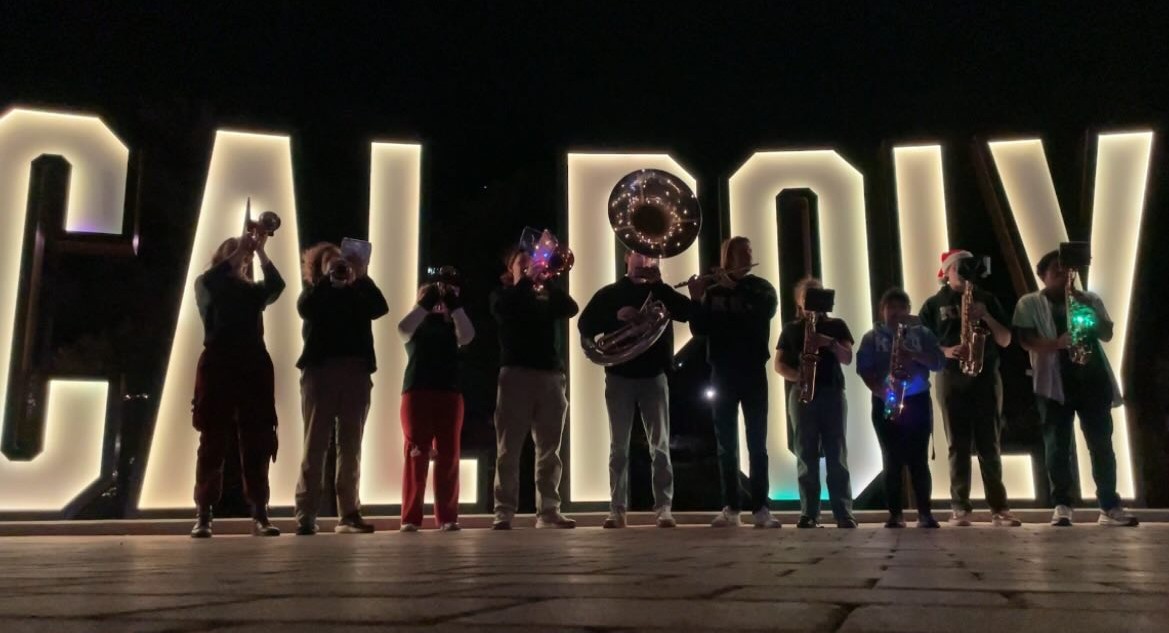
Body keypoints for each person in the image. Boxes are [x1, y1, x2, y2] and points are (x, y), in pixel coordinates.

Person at [1013, 250, 1138, 527]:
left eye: (1067, 269)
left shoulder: (1089, 298)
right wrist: (1055, 344)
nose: (1062, 273)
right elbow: (1024, 339)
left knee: (1102, 446)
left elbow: (1106, 333)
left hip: (1093, 381)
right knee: (1057, 446)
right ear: (1043, 275)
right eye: (1055, 269)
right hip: (1054, 382)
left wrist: (1088, 308)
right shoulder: (1030, 302)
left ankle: (1109, 505)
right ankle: (1062, 504)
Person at [577, 251, 693, 529]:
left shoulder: (659, 292)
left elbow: (687, 312)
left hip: (654, 376)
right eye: (639, 254)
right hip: (620, 377)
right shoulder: (611, 293)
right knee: (619, 447)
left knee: (661, 447)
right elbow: (585, 324)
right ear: (627, 258)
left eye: (650, 256)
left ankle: (664, 508)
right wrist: (616, 318)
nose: (645, 260)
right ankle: (617, 510)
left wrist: (660, 285)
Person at [190, 227, 285, 538]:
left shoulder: (252, 291)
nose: (243, 259)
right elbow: (214, 279)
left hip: (253, 365)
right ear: (223, 258)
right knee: (212, 441)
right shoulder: (207, 284)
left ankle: (260, 513)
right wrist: (240, 248)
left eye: (244, 255)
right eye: (237, 254)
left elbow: (275, 285)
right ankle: (204, 514)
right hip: (218, 363)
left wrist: (259, 251)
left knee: (257, 440)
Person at [919, 249, 1022, 527]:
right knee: (958, 444)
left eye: (967, 268)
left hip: (986, 376)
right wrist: (947, 351)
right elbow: (921, 346)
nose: (963, 273)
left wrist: (985, 316)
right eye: (958, 268)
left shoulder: (986, 298)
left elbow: (1005, 340)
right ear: (947, 270)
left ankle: (999, 507)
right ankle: (960, 507)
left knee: (990, 443)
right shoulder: (933, 304)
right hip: (951, 376)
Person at [293, 242, 389, 536]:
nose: (338, 266)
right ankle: (306, 514)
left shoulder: (358, 292)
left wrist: (361, 275)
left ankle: (349, 513)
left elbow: (380, 307)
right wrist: (326, 282)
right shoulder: (314, 294)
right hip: (320, 372)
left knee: (351, 446)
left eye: (342, 262)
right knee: (315, 444)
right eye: (330, 263)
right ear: (318, 269)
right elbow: (305, 308)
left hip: (356, 372)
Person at [689, 236, 781, 528]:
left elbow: (760, 315)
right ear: (728, 256)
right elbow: (699, 329)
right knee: (726, 444)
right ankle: (731, 507)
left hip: (753, 371)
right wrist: (695, 298)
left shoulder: (761, 288)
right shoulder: (712, 290)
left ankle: (761, 508)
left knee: (758, 443)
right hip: (722, 373)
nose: (747, 257)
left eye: (749, 252)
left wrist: (733, 289)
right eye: (742, 253)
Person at [490, 245, 579, 529]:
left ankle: (549, 511)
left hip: (551, 375)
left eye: (533, 261)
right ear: (510, 270)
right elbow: (504, 310)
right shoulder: (504, 295)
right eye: (523, 262)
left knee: (550, 449)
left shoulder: (547, 295)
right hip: (515, 374)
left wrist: (548, 279)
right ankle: (504, 511)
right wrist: (528, 279)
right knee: (509, 448)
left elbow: (570, 308)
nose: (531, 265)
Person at [856, 288, 945, 528]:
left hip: (916, 398)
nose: (896, 312)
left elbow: (938, 362)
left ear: (909, 311)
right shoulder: (872, 337)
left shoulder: (923, 333)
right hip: (887, 399)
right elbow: (864, 369)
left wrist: (914, 354)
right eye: (890, 308)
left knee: (919, 460)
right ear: (882, 312)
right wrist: (883, 392)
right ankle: (895, 514)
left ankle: (925, 514)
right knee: (891, 460)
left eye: (901, 307)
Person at [775, 277, 857, 528]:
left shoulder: (837, 325)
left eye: (816, 295)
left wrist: (828, 343)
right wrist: (800, 377)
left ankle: (843, 513)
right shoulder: (791, 329)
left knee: (837, 453)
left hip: (832, 392)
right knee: (805, 453)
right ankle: (809, 513)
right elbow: (779, 364)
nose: (811, 301)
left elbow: (847, 358)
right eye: (806, 296)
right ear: (799, 302)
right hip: (802, 395)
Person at [397, 271, 475, 532]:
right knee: (416, 452)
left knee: (448, 454)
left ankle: (447, 517)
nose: (437, 302)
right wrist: (426, 302)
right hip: (417, 393)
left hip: (449, 394)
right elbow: (403, 327)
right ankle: (410, 517)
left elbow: (468, 335)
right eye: (431, 297)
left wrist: (454, 305)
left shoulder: (453, 328)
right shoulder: (414, 327)